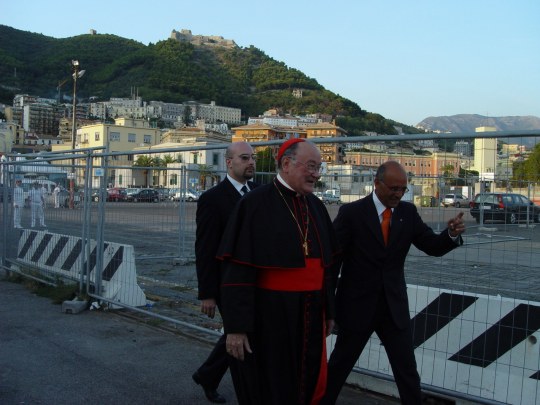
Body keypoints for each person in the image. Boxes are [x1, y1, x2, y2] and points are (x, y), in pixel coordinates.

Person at [322, 161, 466, 405]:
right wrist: (328, 306)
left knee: (407, 370)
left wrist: (450, 235)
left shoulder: (407, 213)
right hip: (357, 308)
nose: (399, 194)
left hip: (393, 308)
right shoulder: (352, 213)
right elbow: (332, 263)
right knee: (339, 366)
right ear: (377, 184)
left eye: (403, 189)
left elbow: (431, 245)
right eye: (394, 189)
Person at [217, 138, 341, 405]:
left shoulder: (317, 206)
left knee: (307, 383)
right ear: (286, 164)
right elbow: (237, 271)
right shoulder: (254, 203)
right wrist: (236, 328)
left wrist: (329, 311)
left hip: (311, 313)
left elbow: (327, 267)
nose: (316, 174)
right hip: (269, 316)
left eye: (318, 168)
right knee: (272, 385)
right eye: (310, 166)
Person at [192, 141, 257, 404]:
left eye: (252, 157)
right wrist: (207, 293)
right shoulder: (213, 199)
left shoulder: (259, 193)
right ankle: (249, 392)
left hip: (254, 281)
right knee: (239, 333)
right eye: (245, 158)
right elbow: (205, 249)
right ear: (229, 163)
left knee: (242, 331)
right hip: (226, 284)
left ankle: (207, 375)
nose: (251, 162)